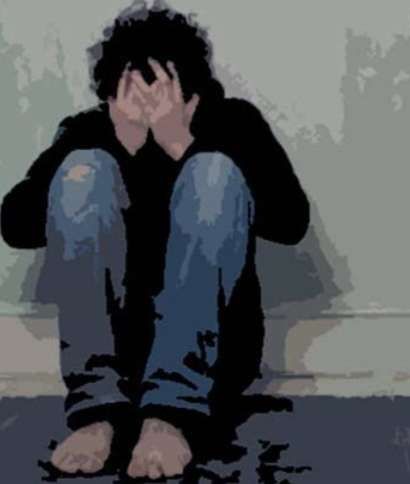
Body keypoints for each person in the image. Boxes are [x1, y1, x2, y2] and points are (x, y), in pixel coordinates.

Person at [0, 2, 309, 480]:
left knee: (212, 171)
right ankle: (98, 412)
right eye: (131, 87)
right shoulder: (89, 131)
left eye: (160, 85)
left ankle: (170, 416)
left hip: (212, 359)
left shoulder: (232, 123)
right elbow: (15, 225)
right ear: (111, 91)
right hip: (119, 355)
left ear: (191, 91)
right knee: (83, 170)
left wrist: (180, 145)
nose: (146, 101)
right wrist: (121, 146)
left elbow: (291, 221)